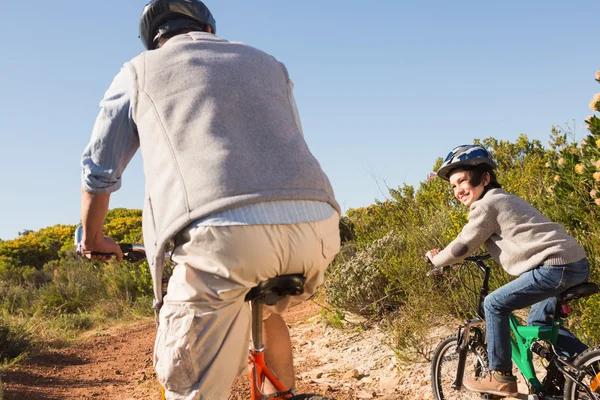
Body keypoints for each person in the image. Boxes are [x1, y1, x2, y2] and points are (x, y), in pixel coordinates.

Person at [79, 0, 341, 398]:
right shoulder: (269, 63)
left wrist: (94, 238)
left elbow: (99, 170)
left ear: (154, 40)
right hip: (317, 225)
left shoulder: (138, 71)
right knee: (267, 309)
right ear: (208, 28)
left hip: (221, 237)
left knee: (190, 383)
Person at [426, 144, 590, 397]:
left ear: (485, 177)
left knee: (493, 304)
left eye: (462, 181)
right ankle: (590, 366)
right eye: (453, 186)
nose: (458, 190)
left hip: (555, 267)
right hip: (574, 264)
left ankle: (500, 376)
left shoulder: (486, 205)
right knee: (538, 321)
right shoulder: (506, 198)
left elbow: (462, 246)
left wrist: (436, 260)